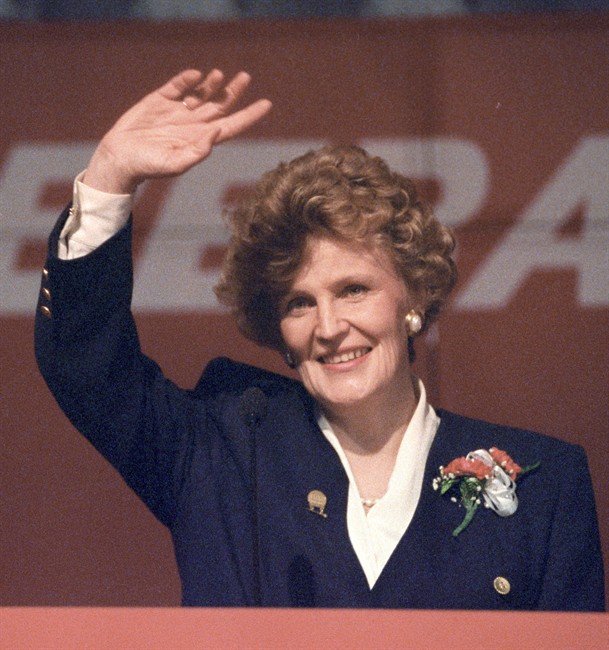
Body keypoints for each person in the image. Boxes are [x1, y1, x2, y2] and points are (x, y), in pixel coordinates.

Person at [35, 69, 604, 609]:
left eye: (353, 289)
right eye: (299, 303)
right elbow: (87, 365)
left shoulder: (542, 485)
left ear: (413, 297)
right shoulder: (221, 452)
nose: (329, 327)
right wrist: (110, 174)